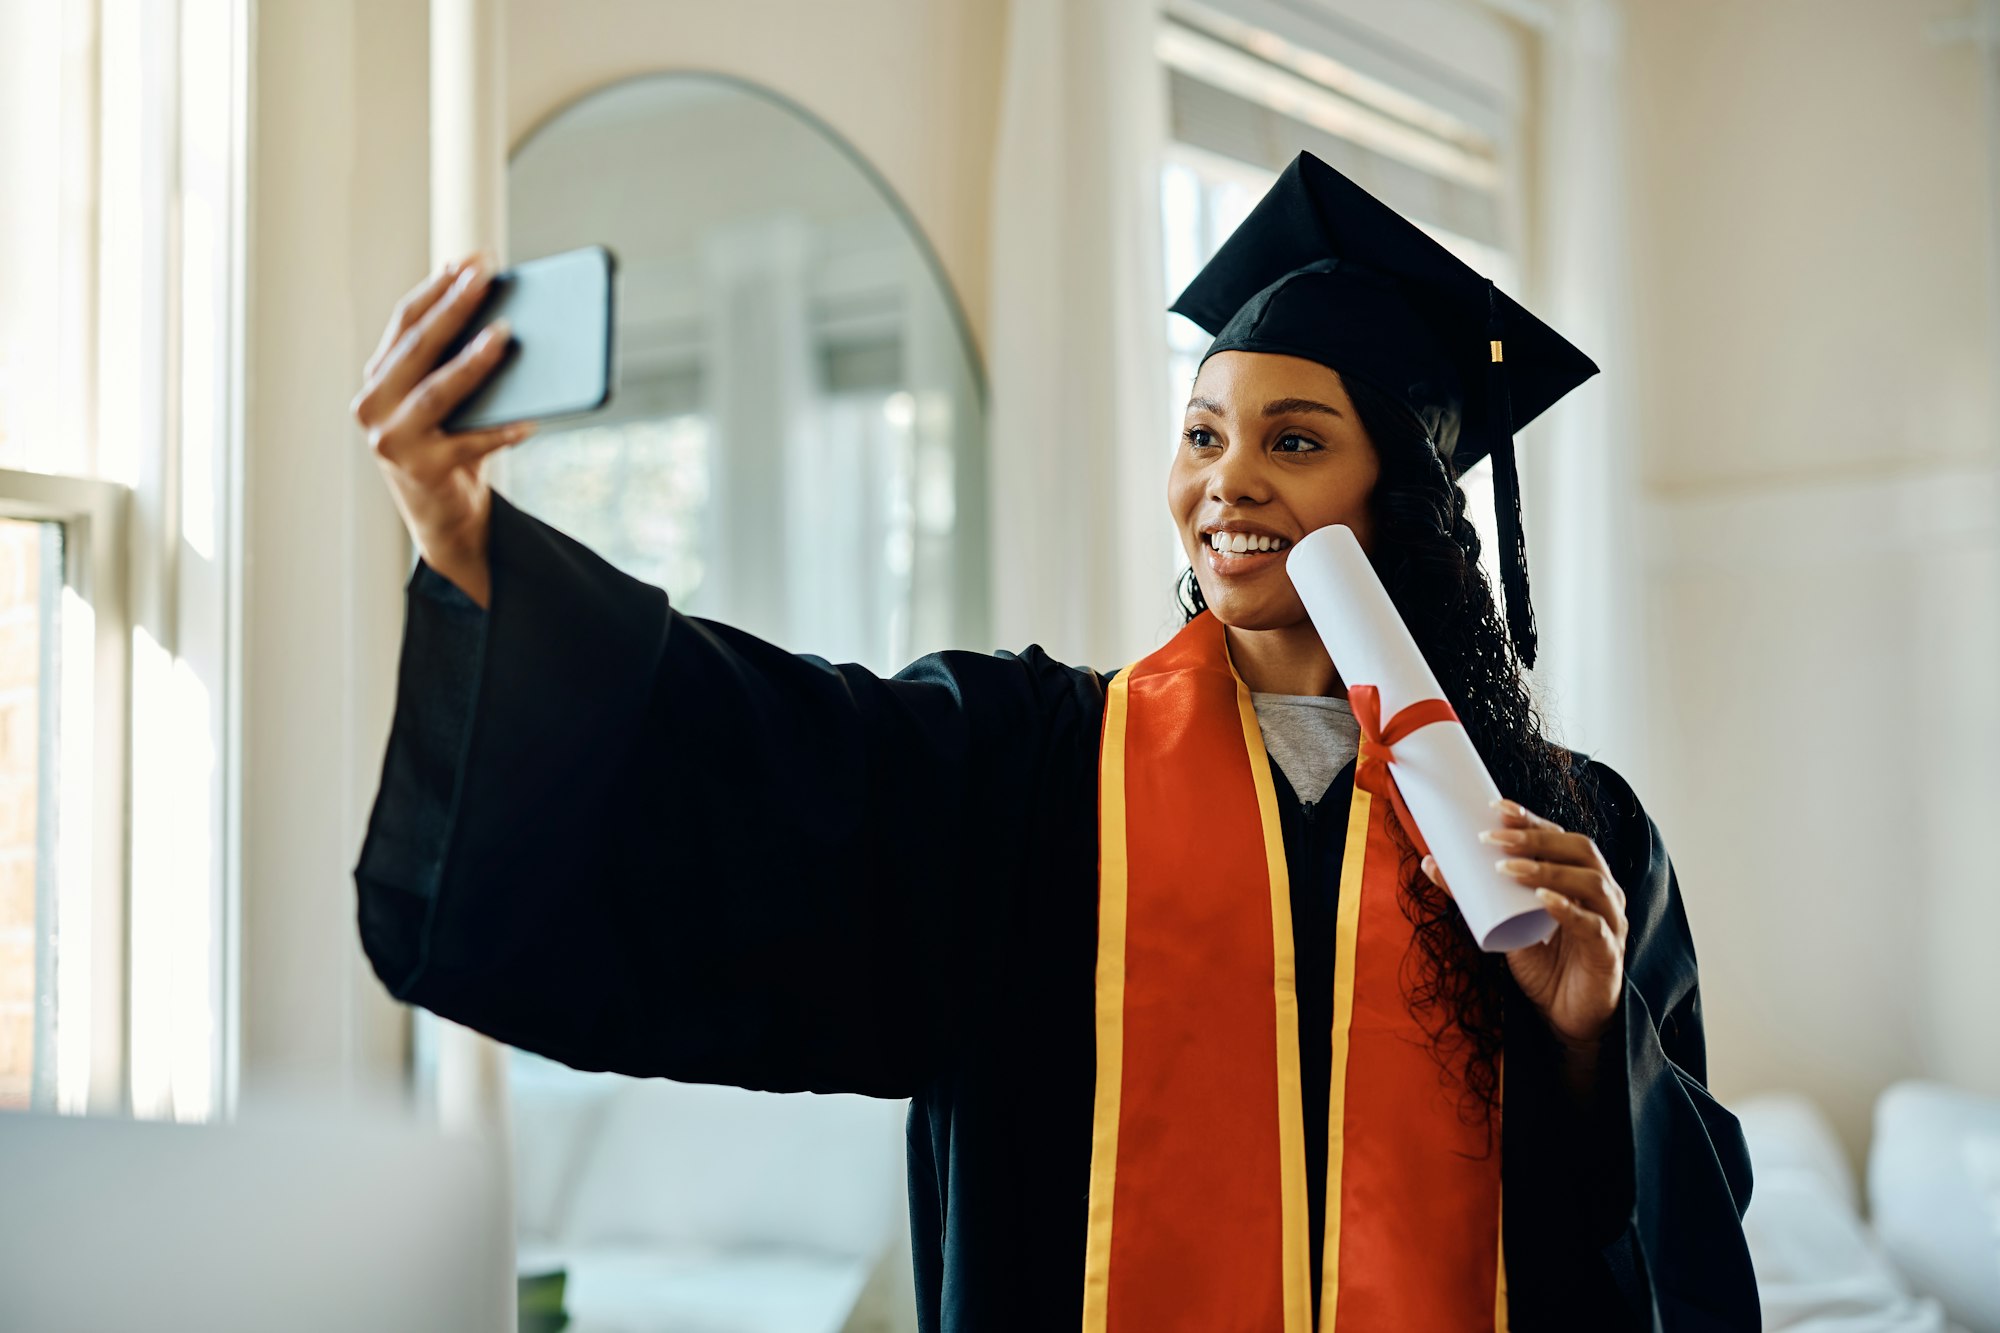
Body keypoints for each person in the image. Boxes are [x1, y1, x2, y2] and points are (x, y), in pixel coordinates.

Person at [350, 151, 1758, 1331]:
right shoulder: (1035, 768)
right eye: (1203, 433)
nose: (1228, 481)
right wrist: (472, 545)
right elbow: (761, 755)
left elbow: (1673, 1241)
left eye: (1295, 438)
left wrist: (1588, 1046)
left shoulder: (1568, 831)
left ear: (1405, 495)